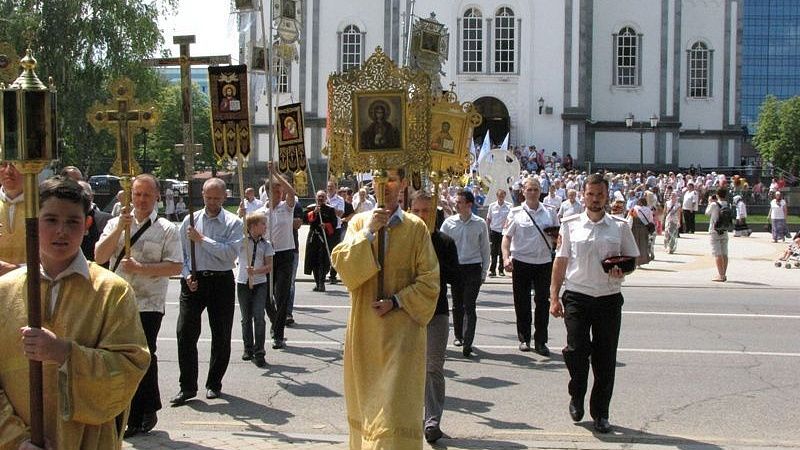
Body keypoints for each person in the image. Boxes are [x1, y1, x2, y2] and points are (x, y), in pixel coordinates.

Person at [0, 176, 149, 449]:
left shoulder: (111, 291)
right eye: (51, 220)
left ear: (87, 224)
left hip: (87, 439)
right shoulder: (5, 291)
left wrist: (64, 353)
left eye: (72, 222)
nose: (61, 231)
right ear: (32, 222)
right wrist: (16, 440)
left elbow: (131, 367)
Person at [330, 168, 439, 449]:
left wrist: (397, 301)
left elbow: (430, 281)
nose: (384, 186)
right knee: (368, 406)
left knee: (393, 409)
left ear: (403, 183)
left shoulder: (416, 228)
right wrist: (368, 232)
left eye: (391, 179)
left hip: (403, 334)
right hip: (365, 333)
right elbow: (343, 267)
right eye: (379, 180)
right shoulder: (359, 223)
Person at [94, 174, 183, 438]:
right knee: (117, 357)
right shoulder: (116, 222)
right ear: (130, 195)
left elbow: (175, 266)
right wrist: (120, 230)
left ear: (157, 196)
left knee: (143, 356)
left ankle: (140, 412)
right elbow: (99, 256)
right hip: (117, 300)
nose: (141, 200)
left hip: (148, 302)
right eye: (137, 194)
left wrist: (142, 269)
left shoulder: (167, 229)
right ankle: (133, 409)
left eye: (146, 195)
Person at [549, 173, 639, 434]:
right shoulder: (570, 224)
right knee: (576, 352)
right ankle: (576, 394)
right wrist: (554, 297)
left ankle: (601, 413)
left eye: (600, 194)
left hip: (608, 298)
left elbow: (632, 259)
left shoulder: (620, 226)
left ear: (607, 196)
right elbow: (561, 261)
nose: (595, 199)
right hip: (577, 295)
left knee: (605, 358)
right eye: (591, 194)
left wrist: (623, 270)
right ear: (583, 195)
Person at [171, 177, 243, 406]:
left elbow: (229, 255)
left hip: (221, 281)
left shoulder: (233, 222)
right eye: (208, 197)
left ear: (224, 197)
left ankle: (214, 382)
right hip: (195, 280)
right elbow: (181, 253)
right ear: (202, 195)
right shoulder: (190, 220)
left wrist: (202, 240)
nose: (211, 202)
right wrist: (186, 274)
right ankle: (187, 387)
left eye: (216, 198)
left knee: (221, 335)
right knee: (185, 333)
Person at [408, 190, 459, 444]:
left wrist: (430, 268)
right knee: (407, 368)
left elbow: (453, 277)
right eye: (416, 211)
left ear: (434, 211)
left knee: (433, 367)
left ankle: (432, 420)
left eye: (425, 211)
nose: (420, 215)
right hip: (406, 312)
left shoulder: (445, 242)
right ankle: (408, 417)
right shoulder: (402, 241)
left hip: (436, 312)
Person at [502, 177, 559, 355]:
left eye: (536, 189)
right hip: (521, 262)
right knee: (522, 302)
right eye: (529, 190)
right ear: (523, 192)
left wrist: (556, 239)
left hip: (543, 262)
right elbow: (506, 238)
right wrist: (506, 258)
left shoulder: (550, 212)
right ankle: (524, 338)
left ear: (540, 191)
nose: (533, 193)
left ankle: (541, 341)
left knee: (543, 303)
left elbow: (558, 237)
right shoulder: (515, 213)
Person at [440, 190, 490, 357]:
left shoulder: (480, 223)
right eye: (456, 202)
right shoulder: (449, 223)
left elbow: (485, 250)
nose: (457, 204)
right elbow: (441, 246)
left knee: (469, 304)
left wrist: (484, 272)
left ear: (469, 204)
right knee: (457, 304)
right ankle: (459, 336)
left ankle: (468, 342)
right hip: (456, 268)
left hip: (473, 268)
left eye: (460, 202)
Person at [236, 212, 274, 368]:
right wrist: (241, 214)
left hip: (259, 283)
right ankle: (248, 348)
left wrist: (256, 272)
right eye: (262, 224)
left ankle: (259, 352)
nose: (265, 227)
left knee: (259, 316)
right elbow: (236, 227)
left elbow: (269, 266)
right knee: (246, 317)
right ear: (252, 226)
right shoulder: (242, 242)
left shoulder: (267, 244)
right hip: (243, 283)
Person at [304, 190, 337, 292]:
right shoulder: (311, 208)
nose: (321, 199)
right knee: (313, 260)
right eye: (319, 197)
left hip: (325, 238)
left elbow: (334, 223)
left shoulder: (330, 209)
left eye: (323, 197)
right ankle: (317, 282)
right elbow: (305, 219)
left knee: (323, 261)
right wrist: (314, 213)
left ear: (325, 198)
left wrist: (326, 225)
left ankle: (321, 282)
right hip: (313, 237)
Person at [0, 161, 26, 276]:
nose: (8, 171)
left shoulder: (42, 206)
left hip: (30, 286)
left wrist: (16, 269)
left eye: (15, 164)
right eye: (3, 164)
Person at [78, 181, 112, 263]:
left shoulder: (107, 220)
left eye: (84, 196)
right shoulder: (66, 221)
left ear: (92, 197)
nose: (80, 200)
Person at [706, 188, 731, 282]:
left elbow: (707, 213)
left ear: (717, 195)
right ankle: (724, 273)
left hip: (714, 230)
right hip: (724, 230)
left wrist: (710, 202)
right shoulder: (727, 204)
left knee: (717, 254)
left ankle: (720, 275)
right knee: (724, 253)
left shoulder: (713, 204)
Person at [486, 189, 511, 277]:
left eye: (502, 196)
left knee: (502, 252)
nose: (501, 198)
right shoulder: (492, 206)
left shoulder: (509, 206)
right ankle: (492, 270)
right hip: (494, 231)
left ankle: (501, 270)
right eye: (499, 196)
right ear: (497, 196)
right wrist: (487, 230)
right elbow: (488, 219)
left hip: (504, 232)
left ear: (504, 196)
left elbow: (511, 219)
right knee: (493, 251)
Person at [326, 180, 345, 284]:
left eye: (331, 187)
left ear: (335, 188)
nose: (329, 189)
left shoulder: (340, 199)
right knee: (325, 251)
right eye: (328, 187)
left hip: (335, 229)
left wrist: (330, 208)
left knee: (334, 251)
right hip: (324, 227)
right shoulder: (324, 198)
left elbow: (341, 213)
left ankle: (333, 274)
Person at [627, 197, 654, 266]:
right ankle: (641, 261)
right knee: (643, 245)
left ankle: (635, 261)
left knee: (635, 244)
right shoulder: (648, 210)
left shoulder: (634, 209)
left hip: (634, 228)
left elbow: (629, 218)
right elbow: (651, 220)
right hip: (644, 229)